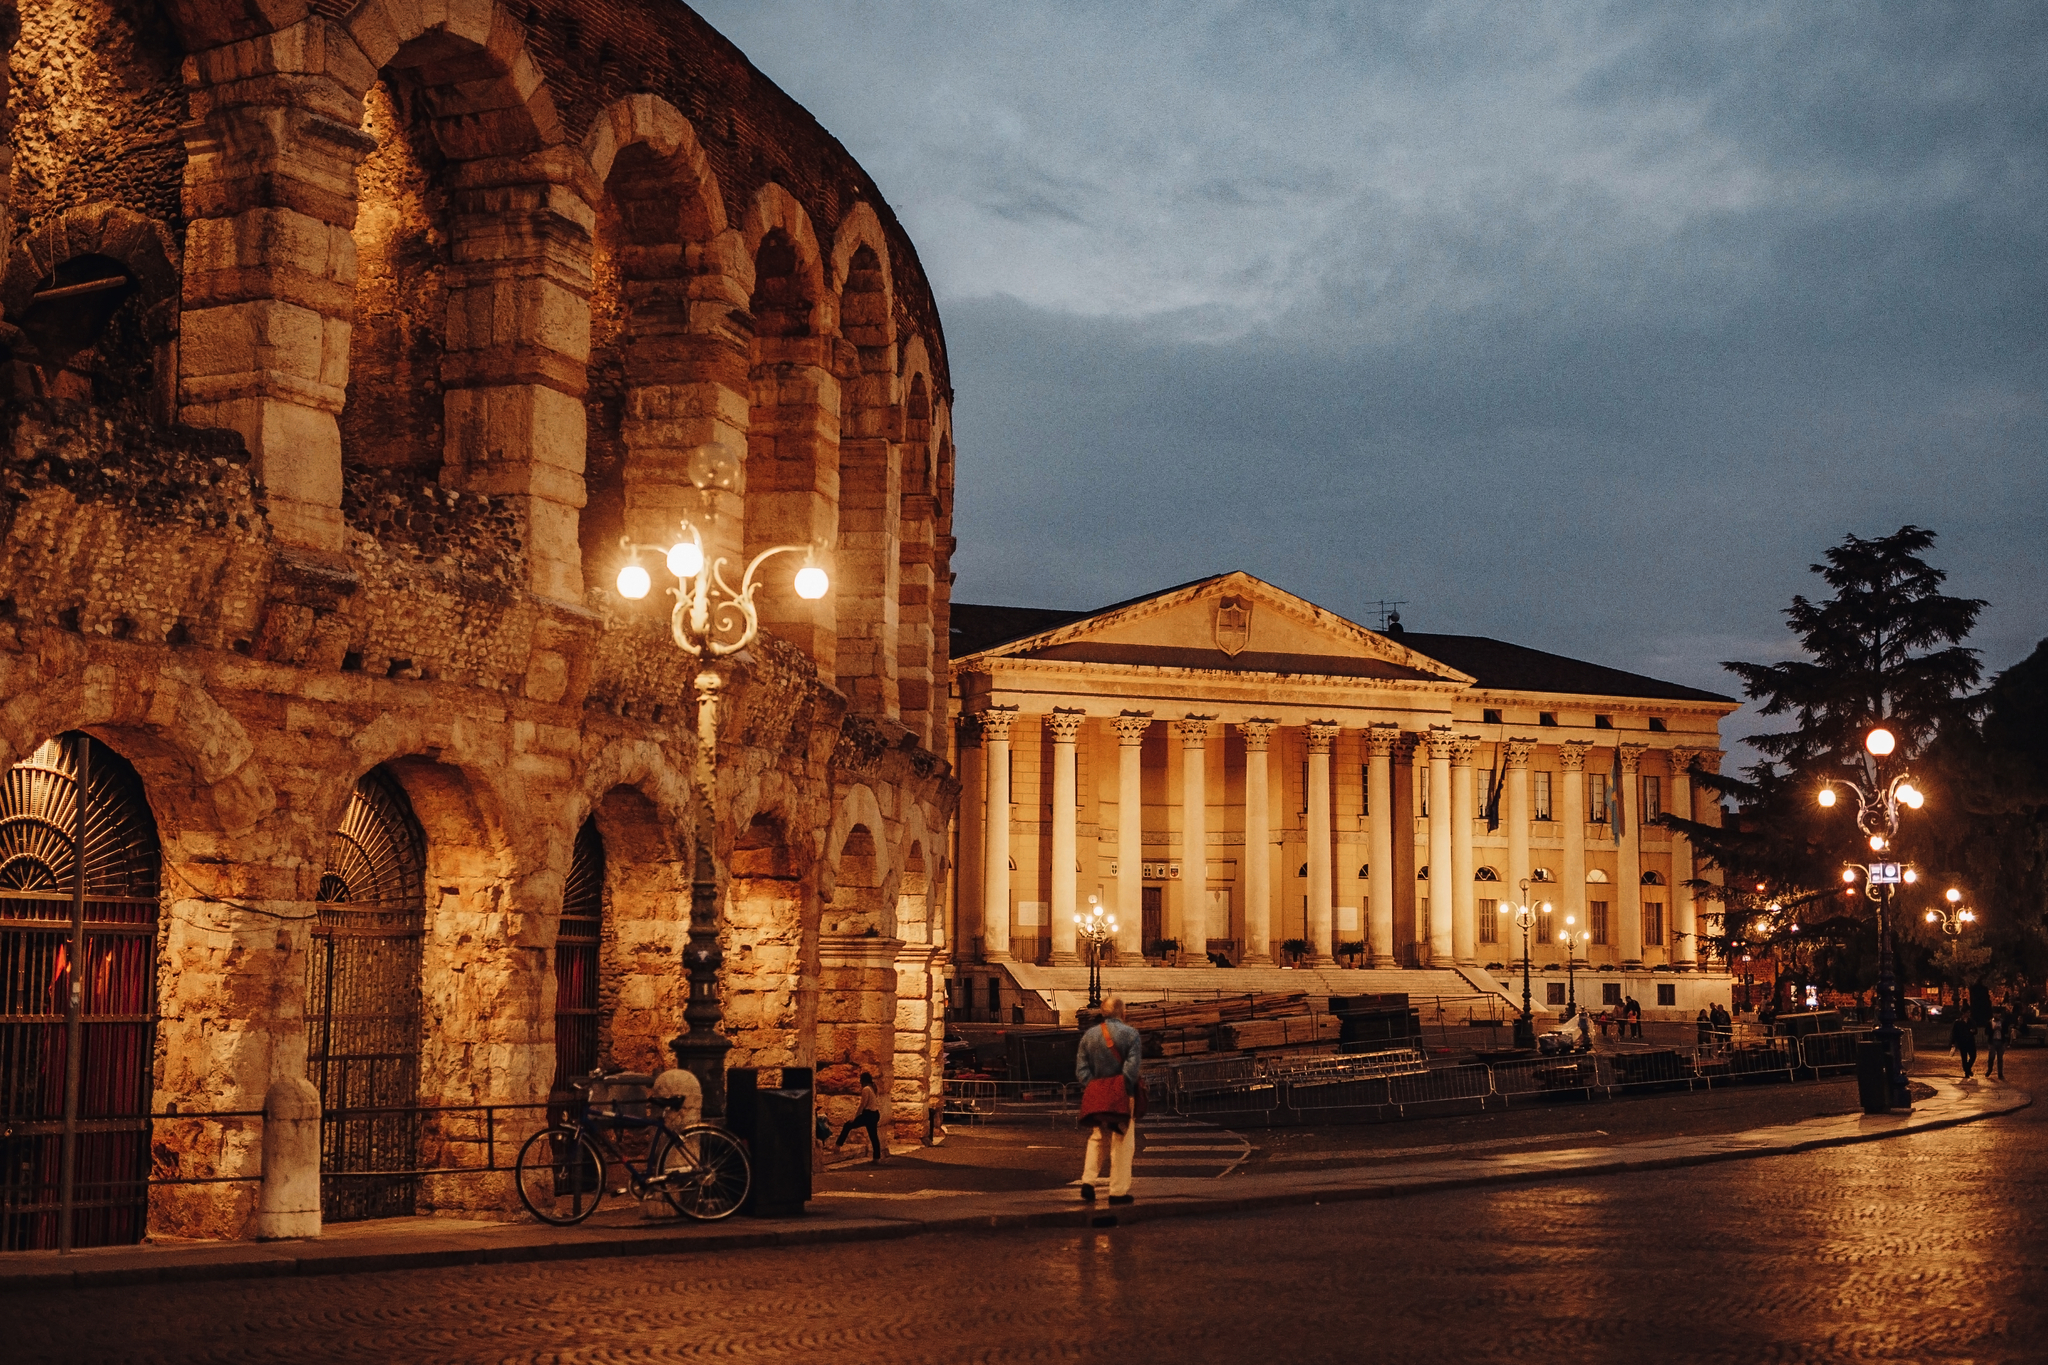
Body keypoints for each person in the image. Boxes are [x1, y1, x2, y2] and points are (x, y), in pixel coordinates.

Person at [1076, 995, 1143, 1206]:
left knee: (1097, 1138)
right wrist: (1121, 1091)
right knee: (1122, 1143)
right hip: (1121, 1095)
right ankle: (1117, 1191)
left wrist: (1094, 1087)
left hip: (1097, 1094)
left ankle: (1088, 1181)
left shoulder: (1089, 1035)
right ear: (1123, 1014)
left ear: (1102, 1013)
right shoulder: (1131, 1035)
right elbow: (1131, 1070)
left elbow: (1081, 1070)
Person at [833, 1071, 885, 1163]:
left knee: (848, 1125)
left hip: (868, 1114)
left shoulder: (866, 1089)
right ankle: (877, 1157)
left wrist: (855, 1117)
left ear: (863, 1081)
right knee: (873, 1136)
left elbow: (863, 1105)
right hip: (875, 1114)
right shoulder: (873, 1088)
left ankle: (838, 1145)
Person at [1949, 1015, 1977, 1080]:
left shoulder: (1971, 1021)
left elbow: (1976, 1030)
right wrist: (1953, 1042)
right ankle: (1967, 1072)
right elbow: (1954, 1033)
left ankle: (1967, 1068)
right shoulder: (1958, 1022)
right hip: (1962, 1042)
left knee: (1973, 1056)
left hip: (1970, 1042)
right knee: (1964, 1057)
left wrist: (1973, 1031)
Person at [1984, 1009, 2008, 1081]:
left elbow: (2006, 1031)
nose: (1998, 1015)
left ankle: (2000, 1074)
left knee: (2000, 1058)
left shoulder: (2002, 1022)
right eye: (1997, 1014)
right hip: (1992, 1041)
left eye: (1999, 1014)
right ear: (1993, 1014)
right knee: (1991, 1056)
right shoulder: (1990, 1022)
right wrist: (1993, 1029)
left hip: (2000, 1041)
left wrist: (2001, 1029)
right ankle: (1989, 1069)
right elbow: (1986, 1032)